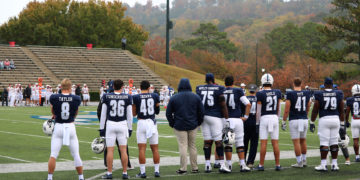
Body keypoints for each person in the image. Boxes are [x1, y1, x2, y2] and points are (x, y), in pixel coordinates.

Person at [166, 78, 204, 174]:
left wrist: (172, 123)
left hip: (179, 124)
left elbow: (168, 113)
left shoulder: (174, 97)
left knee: (183, 146)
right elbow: (201, 112)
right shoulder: (196, 97)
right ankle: (194, 167)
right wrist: (198, 122)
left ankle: (183, 168)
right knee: (192, 146)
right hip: (193, 124)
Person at [47, 78, 84, 180]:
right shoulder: (76, 98)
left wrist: (54, 115)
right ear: (70, 87)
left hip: (58, 126)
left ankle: (50, 177)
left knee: (53, 154)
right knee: (76, 154)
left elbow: (53, 110)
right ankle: (81, 177)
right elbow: (76, 111)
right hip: (70, 126)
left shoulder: (54, 97)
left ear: (61, 87)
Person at [196, 73, 231, 173]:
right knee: (218, 141)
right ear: (213, 79)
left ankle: (207, 165)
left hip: (204, 117)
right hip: (215, 117)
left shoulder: (199, 88)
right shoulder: (219, 88)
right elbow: (223, 104)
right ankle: (222, 165)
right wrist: (226, 118)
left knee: (207, 141)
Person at [99, 79, 132, 179]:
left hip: (111, 124)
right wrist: (130, 128)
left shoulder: (106, 96)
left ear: (113, 86)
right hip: (122, 124)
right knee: (123, 150)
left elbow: (103, 114)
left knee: (110, 150)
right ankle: (125, 173)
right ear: (122, 87)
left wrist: (101, 128)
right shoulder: (128, 97)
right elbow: (129, 115)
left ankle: (109, 173)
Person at [310, 77, 344, 171]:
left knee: (324, 142)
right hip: (335, 119)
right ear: (332, 85)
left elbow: (315, 108)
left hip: (324, 119)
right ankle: (334, 164)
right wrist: (342, 123)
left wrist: (312, 121)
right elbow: (341, 109)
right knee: (334, 142)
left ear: (324, 85)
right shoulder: (338, 93)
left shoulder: (319, 94)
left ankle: (323, 165)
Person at [222, 76, 251, 172]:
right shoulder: (238, 91)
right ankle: (243, 165)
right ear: (233, 82)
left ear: (225, 83)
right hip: (238, 120)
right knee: (240, 143)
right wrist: (246, 117)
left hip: (227, 120)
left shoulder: (222, 90)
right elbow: (248, 104)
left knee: (228, 144)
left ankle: (229, 165)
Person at [132, 80, 161, 178]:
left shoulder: (135, 97)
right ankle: (157, 171)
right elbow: (157, 111)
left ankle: (143, 172)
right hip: (152, 122)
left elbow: (134, 113)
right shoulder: (155, 96)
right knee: (155, 148)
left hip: (141, 122)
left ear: (140, 88)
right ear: (149, 88)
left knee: (141, 149)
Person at [255, 73, 282, 171]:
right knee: (275, 143)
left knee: (263, 143)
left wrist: (257, 123)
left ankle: (261, 165)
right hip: (274, 117)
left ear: (262, 82)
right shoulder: (278, 92)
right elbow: (279, 108)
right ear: (272, 82)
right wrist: (277, 118)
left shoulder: (260, 93)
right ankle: (278, 164)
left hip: (264, 118)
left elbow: (258, 111)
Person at [282, 77, 311, 168]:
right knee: (303, 141)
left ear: (293, 84)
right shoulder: (306, 93)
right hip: (304, 119)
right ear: (301, 83)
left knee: (296, 142)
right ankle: (304, 160)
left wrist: (283, 120)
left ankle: (299, 162)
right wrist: (305, 113)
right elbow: (309, 104)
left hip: (294, 119)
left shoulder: (290, 93)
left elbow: (287, 108)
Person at [243, 84, 258, 168]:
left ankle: (242, 160)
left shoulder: (245, 99)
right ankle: (250, 162)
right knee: (254, 143)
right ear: (256, 91)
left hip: (246, 122)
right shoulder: (258, 99)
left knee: (244, 141)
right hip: (255, 122)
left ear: (249, 90)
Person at [345, 84, 360, 162]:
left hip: (355, 120)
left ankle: (357, 156)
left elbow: (347, 113)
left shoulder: (350, 99)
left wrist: (346, 121)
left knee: (355, 140)